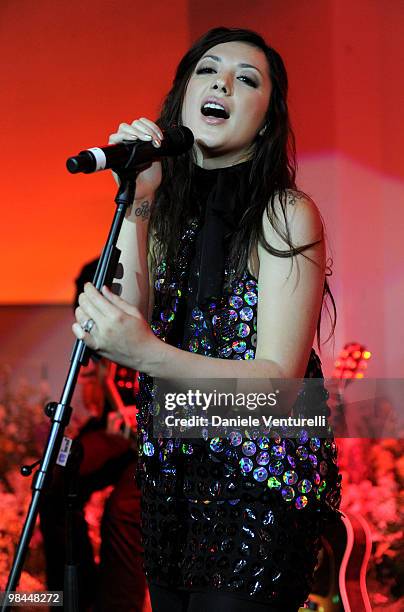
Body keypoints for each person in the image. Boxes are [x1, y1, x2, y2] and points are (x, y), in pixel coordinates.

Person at [72, 27, 342, 612]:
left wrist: (147, 353)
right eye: (207, 70)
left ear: (267, 121)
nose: (222, 81)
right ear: (183, 99)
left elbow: (278, 386)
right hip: (172, 481)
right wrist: (139, 198)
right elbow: (129, 321)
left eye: (247, 79)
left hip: (257, 485)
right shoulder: (163, 210)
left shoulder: (285, 212)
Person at [39, 259, 147, 612]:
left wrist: (147, 415)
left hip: (161, 439)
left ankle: (116, 606)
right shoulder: (99, 280)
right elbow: (96, 399)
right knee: (53, 479)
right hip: (114, 431)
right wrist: (95, 388)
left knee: (125, 509)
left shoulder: (164, 307)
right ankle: (72, 598)